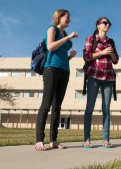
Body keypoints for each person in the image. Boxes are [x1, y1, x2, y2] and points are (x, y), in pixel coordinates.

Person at [35, 9, 78, 151]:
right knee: (46, 104)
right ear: (59, 17)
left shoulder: (65, 34)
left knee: (57, 106)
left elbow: (61, 55)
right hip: (51, 69)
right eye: (67, 17)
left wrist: (70, 57)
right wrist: (68, 37)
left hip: (64, 70)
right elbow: (50, 46)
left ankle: (53, 140)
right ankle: (39, 140)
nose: (69, 20)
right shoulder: (52, 29)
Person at [83, 17, 119, 148]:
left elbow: (116, 60)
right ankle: (87, 139)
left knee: (106, 109)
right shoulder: (90, 39)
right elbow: (87, 56)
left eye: (108, 23)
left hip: (108, 78)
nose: (107, 25)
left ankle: (106, 139)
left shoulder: (111, 41)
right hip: (93, 76)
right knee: (89, 108)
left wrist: (111, 54)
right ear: (98, 25)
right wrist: (102, 52)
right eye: (104, 23)